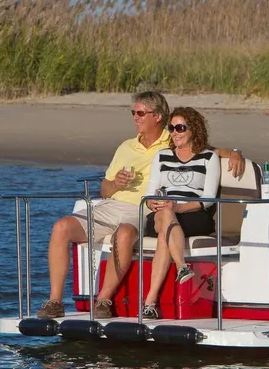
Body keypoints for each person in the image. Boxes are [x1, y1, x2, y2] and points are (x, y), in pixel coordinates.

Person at [36, 91, 245, 319]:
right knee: (61, 227)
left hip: (141, 210)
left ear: (156, 116)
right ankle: (55, 302)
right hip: (112, 205)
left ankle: (103, 300)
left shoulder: (172, 138)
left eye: (140, 113)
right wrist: (116, 183)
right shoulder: (126, 147)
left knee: (125, 234)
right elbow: (104, 190)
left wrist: (234, 152)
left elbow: (206, 150)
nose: (135, 117)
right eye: (133, 113)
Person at [141, 107, 220, 319]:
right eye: (171, 128)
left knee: (163, 236)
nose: (174, 132)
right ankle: (182, 267)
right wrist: (153, 204)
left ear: (193, 129)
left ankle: (150, 301)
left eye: (180, 127)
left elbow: (208, 200)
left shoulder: (209, 157)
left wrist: (177, 207)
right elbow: (149, 196)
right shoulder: (162, 156)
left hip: (193, 213)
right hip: (162, 212)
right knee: (165, 214)